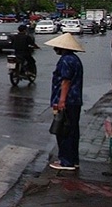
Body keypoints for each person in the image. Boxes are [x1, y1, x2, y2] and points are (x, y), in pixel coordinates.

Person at [43, 33, 85, 171]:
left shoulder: (66, 60)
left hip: (67, 101)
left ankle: (66, 162)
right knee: (72, 130)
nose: (55, 49)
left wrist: (61, 100)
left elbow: (65, 81)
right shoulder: (74, 59)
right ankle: (73, 159)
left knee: (64, 131)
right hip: (74, 100)